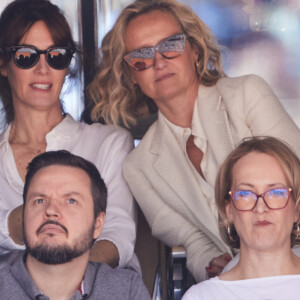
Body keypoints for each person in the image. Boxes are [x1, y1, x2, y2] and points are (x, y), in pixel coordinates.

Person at [87, 0, 300, 281]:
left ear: (195, 52)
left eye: (171, 45)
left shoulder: (247, 95)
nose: (159, 61)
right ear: (131, 75)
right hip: (232, 283)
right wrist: (215, 264)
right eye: (141, 56)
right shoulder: (138, 167)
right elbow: (191, 242)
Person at [0, 0, 138, 271]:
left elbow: (117, 237)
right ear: (3, 64)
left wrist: (62, 285)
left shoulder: (109, 143)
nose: (43, 69)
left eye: (56, 55)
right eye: (26, 56)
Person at [0, 150, 150, 299]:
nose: (51, 210)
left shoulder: (126, 290)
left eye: (71, 201)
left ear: (97, 225)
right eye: (39, 200)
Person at [182, 136, 300, 299]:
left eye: (276, 193)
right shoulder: (202, 296)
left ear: (297, 209)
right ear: (228, 210)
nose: (260, 208)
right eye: (245, 194)